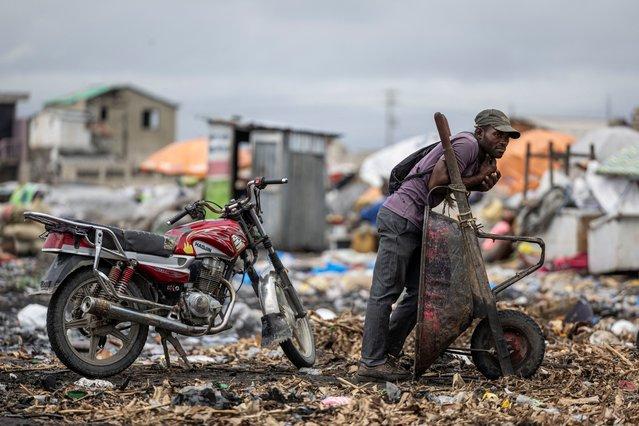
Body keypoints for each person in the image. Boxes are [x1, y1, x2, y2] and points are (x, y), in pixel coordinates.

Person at [358, 109, 520, 381]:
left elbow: (450, 186)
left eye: (507, 137)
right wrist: (477, 180)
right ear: (481, 132)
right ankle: (371, 363)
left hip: (416, 221)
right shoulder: (467, 144)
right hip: (401, 217)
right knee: (385, 292)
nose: (503, 141)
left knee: (420, 291)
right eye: (497, 135)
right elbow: (436, 183)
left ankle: (388, 352)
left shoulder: (477, 154)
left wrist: (479, 185)